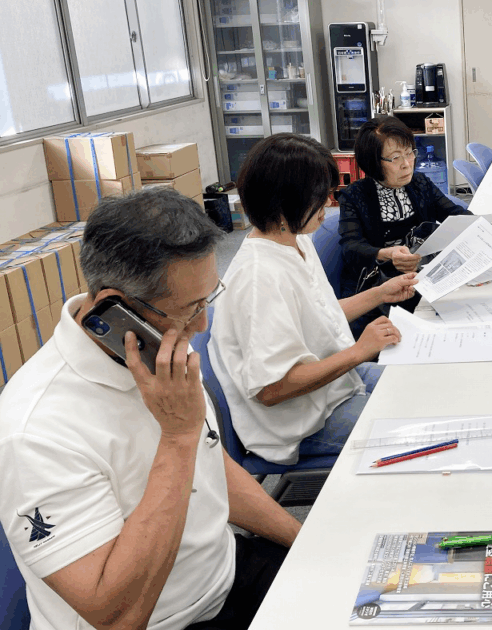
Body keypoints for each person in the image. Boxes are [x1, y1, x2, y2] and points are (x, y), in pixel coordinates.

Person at [0, 187, 301, 630]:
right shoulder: (36, 429)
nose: (201, 326)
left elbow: (210, 466)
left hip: (223, 575)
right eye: (188, 309)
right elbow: (119, 617)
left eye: (207, 300)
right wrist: (177, 438)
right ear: (114, 307)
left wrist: (302, 539)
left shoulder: (155, 348)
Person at [210, 133, 415, 466]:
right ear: (285, 201)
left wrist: (379, 293)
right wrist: (359, 351)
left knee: (426, 387)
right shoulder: (260, 277)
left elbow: (318, 315)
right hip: (303, 423)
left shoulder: (294, 239)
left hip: (334, 387)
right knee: (415, 430)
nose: (329, 205)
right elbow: (272, 388)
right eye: (320, 198)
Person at [336, 117, 476, 337]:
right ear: (373, 161)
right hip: (379, 288)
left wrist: (487, 228)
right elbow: (350, 247)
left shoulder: (420, 183)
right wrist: (386, 254)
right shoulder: (354, 196)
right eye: (395, 158)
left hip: (422, 279)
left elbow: (453, 213)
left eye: (409, 153)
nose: (406, 164)